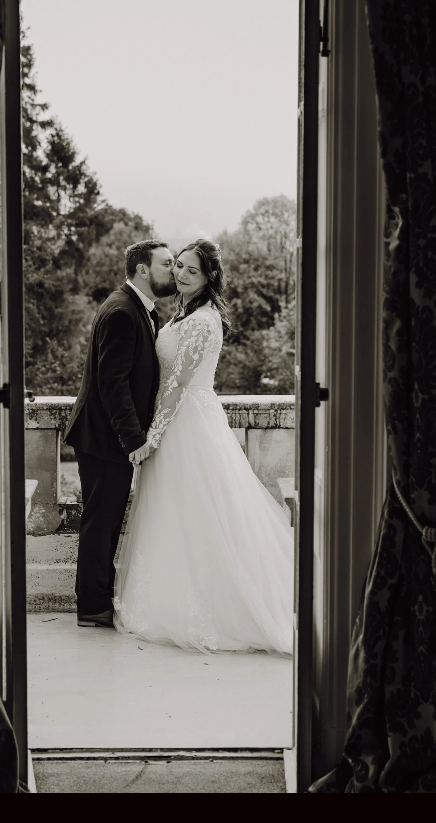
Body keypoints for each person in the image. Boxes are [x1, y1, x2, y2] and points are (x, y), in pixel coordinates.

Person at [113, 238, 295, 654]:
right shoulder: (182, 313)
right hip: (181, 420)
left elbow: (177, 385)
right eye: (177, 265)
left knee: (199, 510)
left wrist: (151, 439)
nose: (179, 274)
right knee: (175, 512)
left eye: (191, 271)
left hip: (188, 423)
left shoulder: (200, 322)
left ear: (208, 277)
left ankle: (218, 606)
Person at [64, 239, 175, 627]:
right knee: (101, 521)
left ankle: (99, 600)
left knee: (108, 520)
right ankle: (92, 607)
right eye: (167, 263)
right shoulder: (122, 312)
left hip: (108, 438)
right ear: (143, 270)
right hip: (104, 439)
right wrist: (135, 440)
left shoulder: (139, 309)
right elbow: (112, 384)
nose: (174, 270)